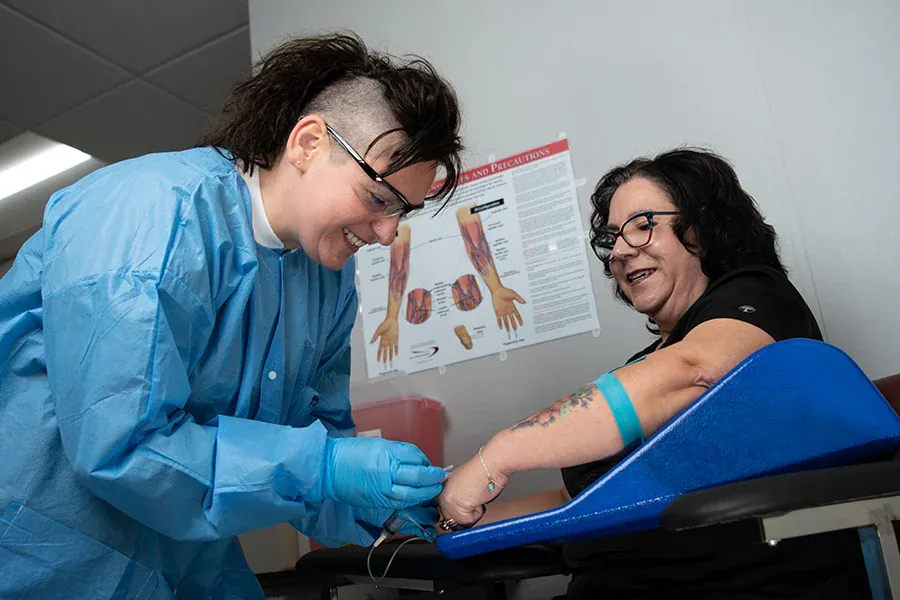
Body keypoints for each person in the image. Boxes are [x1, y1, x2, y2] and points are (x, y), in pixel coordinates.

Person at [0, 33, 463, 599]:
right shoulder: (149, 216)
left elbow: (307, 441)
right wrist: (326, 467)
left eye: (403, 212)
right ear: (309, 143)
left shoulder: (328, 280)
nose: (389, 233)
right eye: (378, 198)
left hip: (190, 565)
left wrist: (383, 502)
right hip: (48, 556)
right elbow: (123, 447)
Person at [438, 149, 870, 598]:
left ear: (702, 227)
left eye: (643, 225)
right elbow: (581, 502)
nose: (620, 251)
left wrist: (497, 456)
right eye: (612, 239)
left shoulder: (759, 299)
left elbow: (695, 370)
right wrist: (455, 519)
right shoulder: (641, 371)